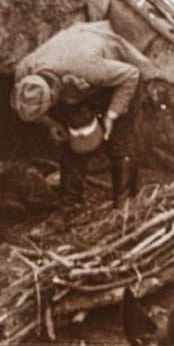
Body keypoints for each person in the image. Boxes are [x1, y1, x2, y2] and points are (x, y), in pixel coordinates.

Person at [11, 21, 150, 208]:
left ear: (53, 94)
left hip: (118, 76)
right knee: (71, 140)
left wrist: (111, 115)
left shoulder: (88, 68)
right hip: (74, 76)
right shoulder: (24, 74)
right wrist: (50, 123)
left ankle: (125, 205)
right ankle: (70, 207)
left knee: (119, 139)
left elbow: (131, 75)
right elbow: (33, 111)